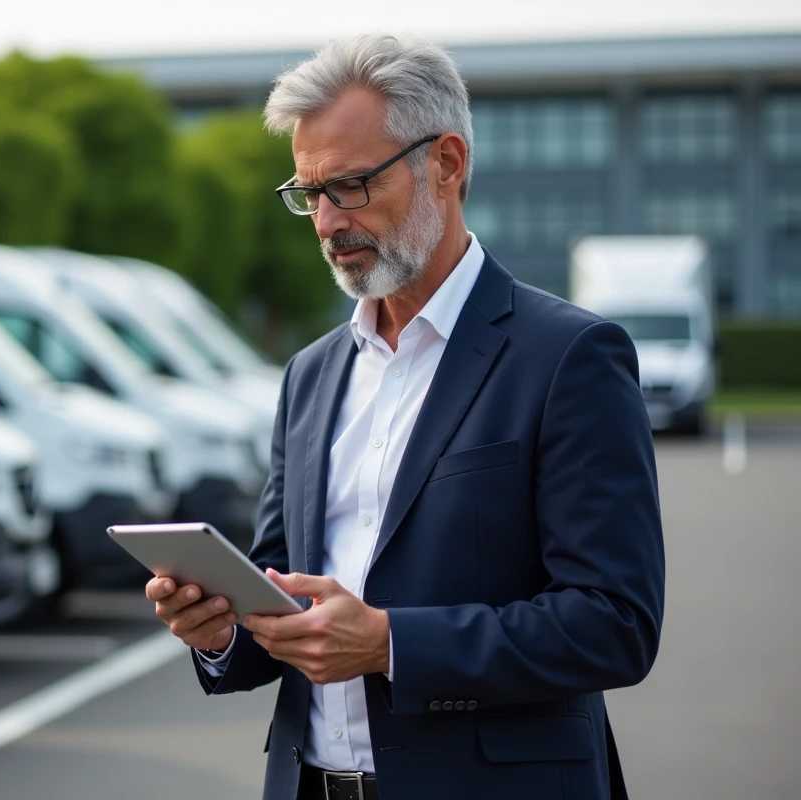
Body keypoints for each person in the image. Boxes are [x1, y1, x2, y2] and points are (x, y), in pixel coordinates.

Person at [146, 33, 666, 800]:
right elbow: (283, 593)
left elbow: (614, 623)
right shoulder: (311, 375)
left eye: (351, 185)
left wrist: (391, 644)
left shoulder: (570, 357)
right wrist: (221, 627)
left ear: (446, 164)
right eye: (309, 192)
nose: (326, 222)